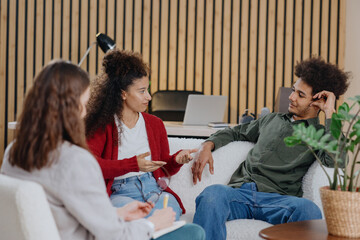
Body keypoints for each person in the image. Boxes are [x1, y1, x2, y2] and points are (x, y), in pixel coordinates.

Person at [1, 60, 205, 240]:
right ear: (72, 109)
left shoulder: (14, 152)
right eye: (83, 104)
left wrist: (118, 215)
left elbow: (69, 212)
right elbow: (114, 234)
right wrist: (153, 224)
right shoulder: (75, 160)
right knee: (195, 233)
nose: (85, 112)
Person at [191, 57, 350, 240]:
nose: (291, 97)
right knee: (212, 194)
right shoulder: (271, 119)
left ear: (317, 100)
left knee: (308, 209)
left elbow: (337, 159)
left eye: (300, 95)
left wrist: (330, 112)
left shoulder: (318, 134)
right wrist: (206, 145)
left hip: (279, 201)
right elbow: (235, 132)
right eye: (293, 91)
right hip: (240, 193)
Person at [85, 49, 196, 220]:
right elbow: (90, 166)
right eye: (142, 91)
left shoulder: (155, 124)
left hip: (153, 189)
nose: (149, 97)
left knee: (169, 211)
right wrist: (133, 165)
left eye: (148, 90)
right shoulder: (103, 125)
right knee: (138, 218)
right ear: (123, 93)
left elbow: (162, 167)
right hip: (119, 193)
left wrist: (176, 160)